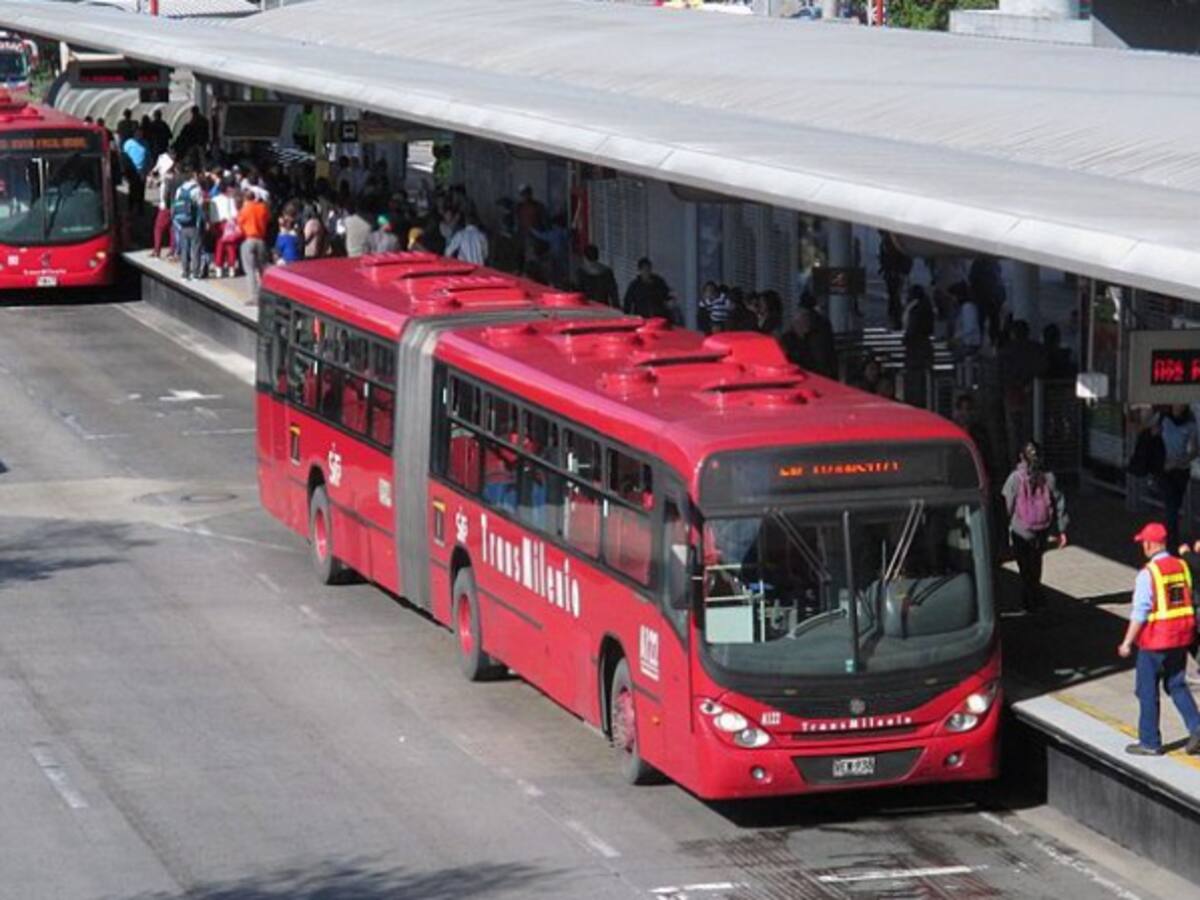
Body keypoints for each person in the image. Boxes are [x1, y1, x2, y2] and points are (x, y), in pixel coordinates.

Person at [1118, 522, 1200, 756]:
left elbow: (1140, 611)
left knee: (1146, 690)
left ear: (1151, 544)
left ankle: (1150, 741)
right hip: (1181, 637)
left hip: (1155, 640)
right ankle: (1197, 727)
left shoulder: (1149, 573)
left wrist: (1126, 642)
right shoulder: (1182, 566)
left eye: (1144, 542)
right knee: (1176, 684)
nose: (1142, 546)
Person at [1001, 440, 1068, 612]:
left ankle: (1030, 597)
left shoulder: (1015, 478)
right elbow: (1059, 502)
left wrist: (1002, 529)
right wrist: (1062, 529)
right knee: (1036, 562)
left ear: (1021, 457)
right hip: (1042, 529)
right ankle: (1035, 595)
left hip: (1020, 530)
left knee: (1024, 567)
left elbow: (1006, 506)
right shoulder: (1048, 477)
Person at [1155, 405, 1198, 552]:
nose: (1178, 407)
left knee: (1174, 506)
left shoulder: (1190, 424)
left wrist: (1178, 462)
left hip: (1180, 470)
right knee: (1171, 507)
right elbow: (1153, 434)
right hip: (1164, 469)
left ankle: (1171, 540)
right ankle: (1171, 543)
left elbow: (1194, 450)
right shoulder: (1163, 418)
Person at [779, 308, 836, 378]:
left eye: (805, 321)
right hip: (796, 373)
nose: (802, 325)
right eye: (798, 322)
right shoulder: (787, 339)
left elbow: (821, 362)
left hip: (815, 374)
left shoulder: (815, 338)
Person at [236, 189, 270, 300]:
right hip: (261, 240)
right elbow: (267, 219)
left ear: (245, 198)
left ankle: (254, 297)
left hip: (249, 239)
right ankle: (264, 293)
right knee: (262, 269)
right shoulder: (263, 208)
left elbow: (239, 224)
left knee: (250, 270)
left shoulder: (244, 209)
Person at [171, 170, 203, 280]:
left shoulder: (179, 189)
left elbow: (175, 205)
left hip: (181, 224)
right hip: (194, 223)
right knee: (196, 248)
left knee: (184, 248)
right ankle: (195, 273)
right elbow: (201, 206)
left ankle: (185, 272)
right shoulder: (196, 190)